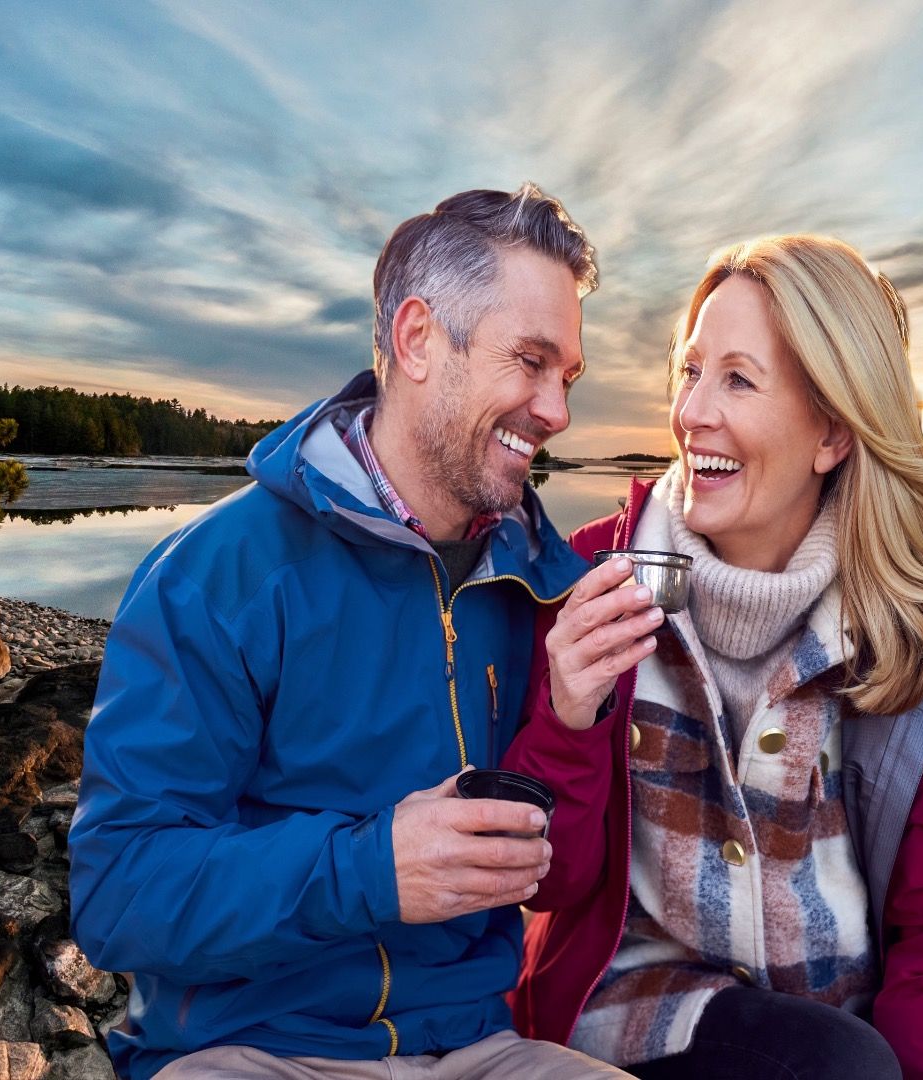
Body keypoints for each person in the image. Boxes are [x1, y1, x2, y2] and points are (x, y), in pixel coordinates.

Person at [67, 185, 634, 1080]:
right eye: (529, 361)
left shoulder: (539, 581)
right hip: (249, 1051)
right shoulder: (217, 573)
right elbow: (119, 893)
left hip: (479, 1050)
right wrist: (369, 870)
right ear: (417, 341)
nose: (556, 411)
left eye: (567, 377)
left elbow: (557, 882)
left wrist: (571, 720)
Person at [504, 235, 923, 1080]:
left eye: (738, 380)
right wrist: (569, 715)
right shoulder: (592, 580)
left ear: (832, 434)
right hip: (637, 1006)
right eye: (690, 370)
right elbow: (551, 884)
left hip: (845, 1007)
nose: (692, 413)